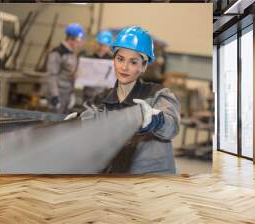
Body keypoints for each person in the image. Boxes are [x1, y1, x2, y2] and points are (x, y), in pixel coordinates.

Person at [66, 26, 181, 174]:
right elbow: (89, 124)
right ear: (113, 60)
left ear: (144, 65)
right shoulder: (100, 101)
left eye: (133, 62)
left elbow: (172, 124)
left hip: (151, 182)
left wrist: (155, 120)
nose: (124, 67)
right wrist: (76, 123)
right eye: (120, 59)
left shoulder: (158, 94)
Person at [47, 23, 85, 114]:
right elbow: (51, 75)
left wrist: (71, 93)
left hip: (67, 94)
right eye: (78, 41)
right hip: (58, 94)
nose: (79, 44)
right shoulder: (57, 53)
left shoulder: (71, 53)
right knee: (53, 124)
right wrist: (54, 96)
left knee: (64, 124)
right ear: (71, 39)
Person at [82, 30, 114, 102]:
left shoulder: (112, 61)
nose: (102, 47)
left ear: (109, 46)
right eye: (100, 44)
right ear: (96, 44)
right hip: (89, 94)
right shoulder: (88, 58)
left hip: (105, 94)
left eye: (105, 45)